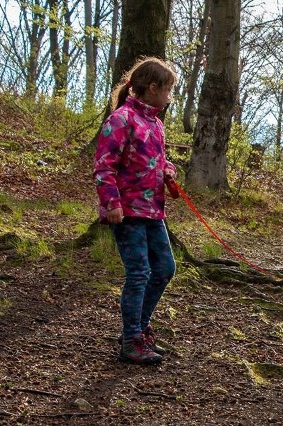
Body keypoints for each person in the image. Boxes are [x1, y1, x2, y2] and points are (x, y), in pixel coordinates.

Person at [93, 57, 178, 364]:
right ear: (152, 88)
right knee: (139, 273)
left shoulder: (156, 124)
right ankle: (131, 340)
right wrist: (111, 203)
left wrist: (168, 170)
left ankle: (139, 328)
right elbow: (104, 166)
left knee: (166, 269)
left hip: (154, 211)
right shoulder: (121, 119)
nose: (170, 97)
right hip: (127, 213)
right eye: (168, 90)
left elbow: (159, 159)